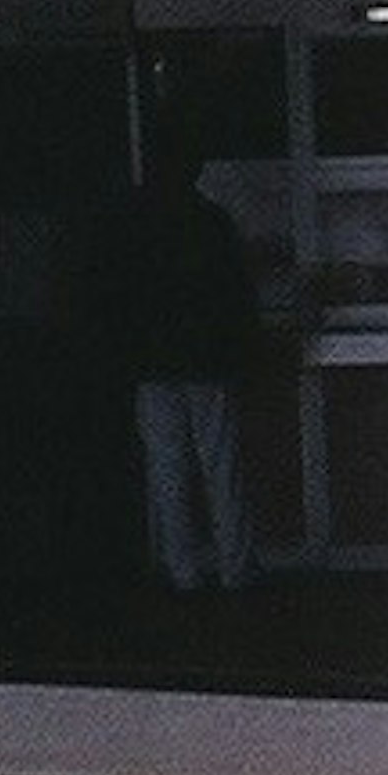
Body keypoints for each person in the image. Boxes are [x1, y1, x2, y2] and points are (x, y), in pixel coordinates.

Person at [107, 137, 257, 600]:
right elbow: (234, 293)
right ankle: (236, 568)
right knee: (220, 465)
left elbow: (121, 296)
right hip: (205, 358)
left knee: (167, 467)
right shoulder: (210, 222)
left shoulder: (135, 224)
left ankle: (183, 571)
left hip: (152, 362)